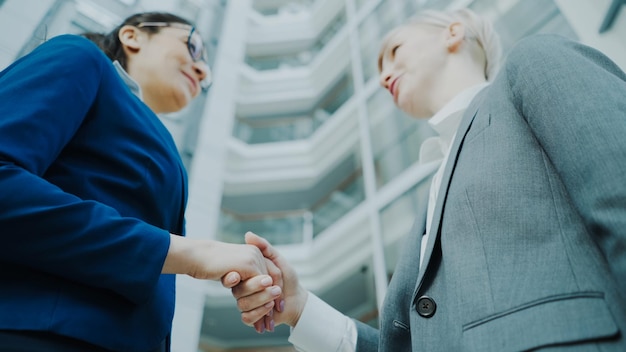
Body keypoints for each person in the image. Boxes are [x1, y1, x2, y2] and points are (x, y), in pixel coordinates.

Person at [228, 8, 626, 351]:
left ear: (453, 32)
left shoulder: (534, 63)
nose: (385, 78)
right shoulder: (434, 193)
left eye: (394, 52)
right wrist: (298, 306)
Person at [0, 12, 282, 352]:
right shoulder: (80, 57)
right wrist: (189, 252)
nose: (202, 70)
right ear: (133, 36)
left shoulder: (157, 140)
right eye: (192, 46)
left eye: (206, 70)